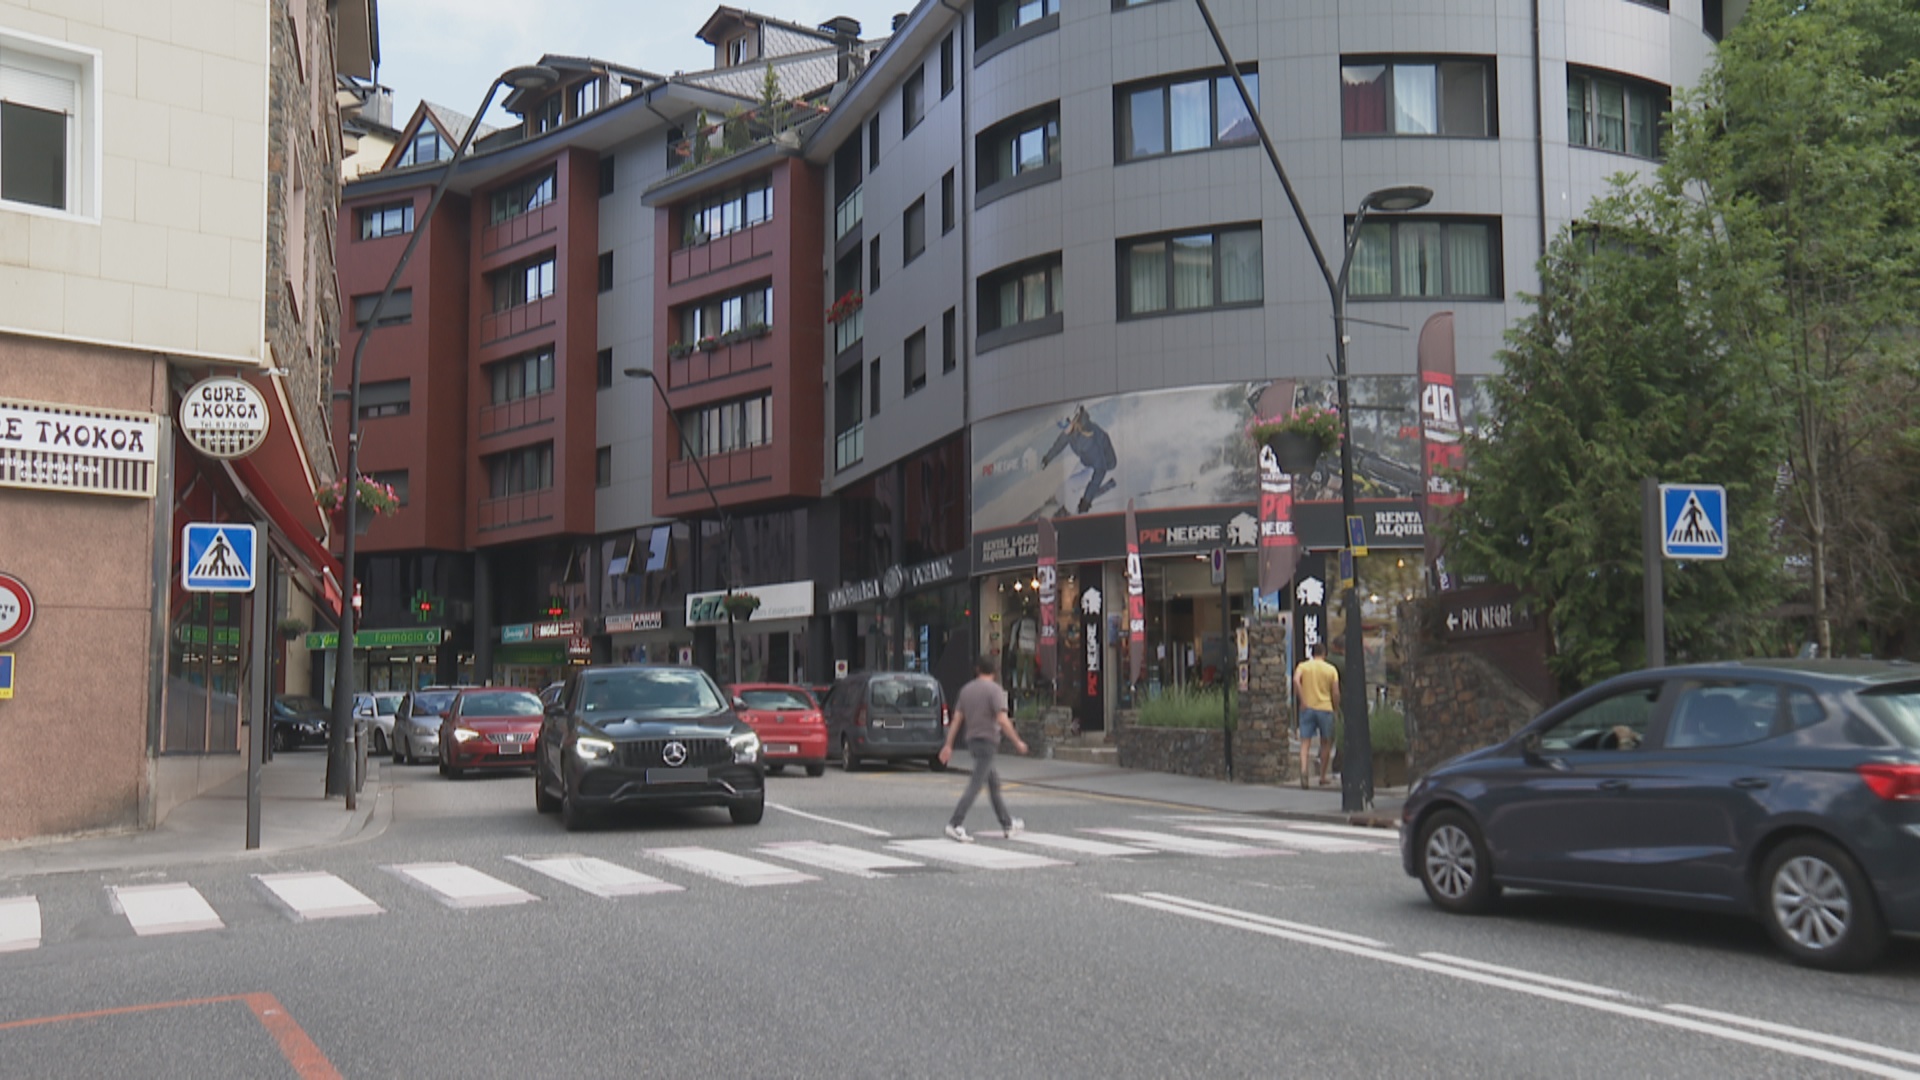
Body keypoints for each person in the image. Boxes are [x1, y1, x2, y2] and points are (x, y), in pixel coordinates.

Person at [938, 654, 1029, 842]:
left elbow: (956, 720)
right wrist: (1017, 741)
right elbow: (1002, 720)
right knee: (976, 784)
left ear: (977, 670)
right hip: (987, 742)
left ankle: (1007, 824)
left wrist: (948, 745)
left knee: (993, 783)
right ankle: (955, 823)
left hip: (972, 742)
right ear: (994, 671)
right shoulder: (994, 691)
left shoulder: (966, 690)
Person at [1040, 405, 1119, 515]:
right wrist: (1047, 458)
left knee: (1070, 485)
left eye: (1064, 423)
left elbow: (1100, 470)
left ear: (1074, 418)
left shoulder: (1088, 440)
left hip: (1101, 465)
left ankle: (1068, 510)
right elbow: (1059, 444)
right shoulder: (1072, 429)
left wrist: (1087, 500)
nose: (1063, 428)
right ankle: (1059, 498)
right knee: (1068, 482)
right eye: (1060, 424)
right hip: (1087, 460)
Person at [1293, 642, 1340, 789]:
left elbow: (1295, 680)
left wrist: (1302, 699)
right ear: (1324, 654)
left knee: (1305, 743)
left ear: (1311, 653)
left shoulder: (1303, 666)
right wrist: (1335, 707)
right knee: (1326, 742)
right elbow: (1336, 691)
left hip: (1307, 708)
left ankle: (1304, 770)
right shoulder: (1331, 670)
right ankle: (1322, 776)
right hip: (1325, 708)